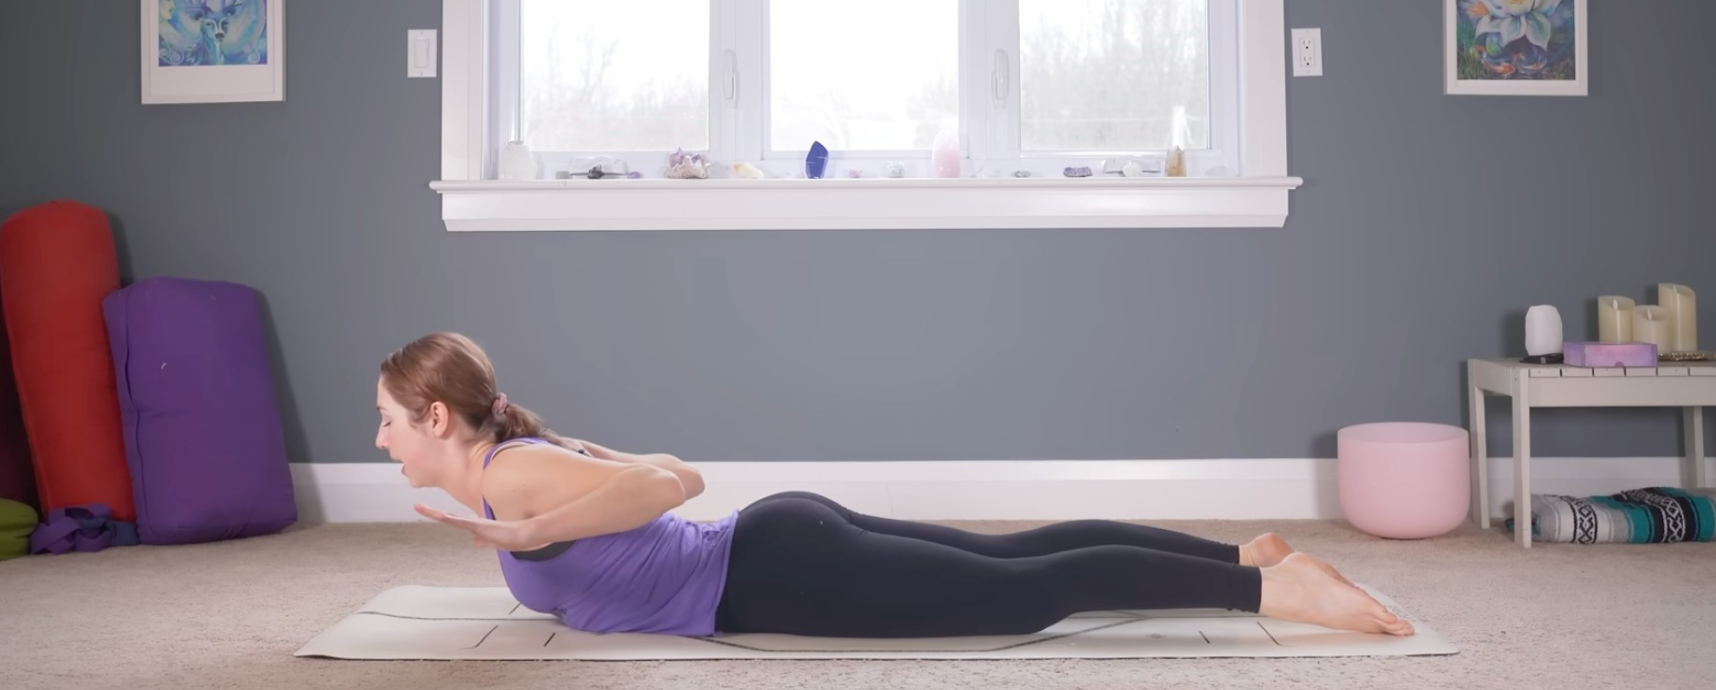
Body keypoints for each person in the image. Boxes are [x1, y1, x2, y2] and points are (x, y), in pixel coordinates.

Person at [379, 332, 1414, 640]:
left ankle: (1276, 592)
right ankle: (1243, 557)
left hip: (770, 568)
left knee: (1023, 596)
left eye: (386, 420)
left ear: (436, 418)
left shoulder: (511, 479)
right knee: (1019, 556)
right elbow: (643, 485)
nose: (379, 440)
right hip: (782, 542)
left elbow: (672, 483)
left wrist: (534, 535)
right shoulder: (510, 471)